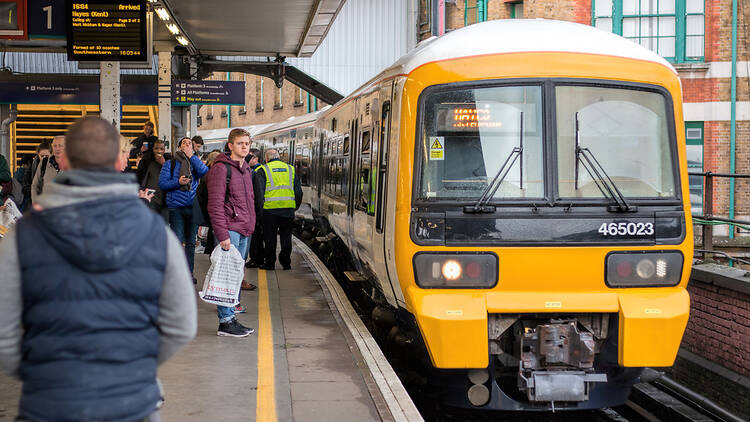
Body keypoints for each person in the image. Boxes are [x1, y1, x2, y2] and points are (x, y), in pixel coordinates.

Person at [0, 116, 197, 422]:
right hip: (131, 404)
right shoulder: (155, 233)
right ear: (118, 159)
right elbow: (181, 325)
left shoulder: (22, 237)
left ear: (65, 158)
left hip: (49, 404)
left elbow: (4, 332)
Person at [207, 128, 257, 337]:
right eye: (240, 143)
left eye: (247, 143)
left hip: (244, 229)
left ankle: (231, 317)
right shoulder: (221, 169)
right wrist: (223, 234)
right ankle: (225, 321)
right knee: (226, 278)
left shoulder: (245, 169)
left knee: (236, 276)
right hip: (230, 230)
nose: (244, 147)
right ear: (230, 145)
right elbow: (215, 205)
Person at [159, 136, 209, 282]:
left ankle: (189, 273)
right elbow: (162, 184)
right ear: (179, 147)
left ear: (192, 148)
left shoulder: (195, 162)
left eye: (189, 143)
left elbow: (205, 173)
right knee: (178, 241)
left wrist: (191, 157)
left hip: (192, 207)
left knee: (191, 243)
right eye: (184, 143)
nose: (186, 145)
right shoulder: (171, 164)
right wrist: (178, 182)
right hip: (176, 208)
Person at [256, 148, 302, 270]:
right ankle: (286, 263)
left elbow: (259, 193)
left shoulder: (263, 169)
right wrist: (294, 206)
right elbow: (298, 192)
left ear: (266, 158)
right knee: (286, 237)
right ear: (278, 157)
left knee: (270, 238)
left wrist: (259, 211)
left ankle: (270, 263)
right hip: (288, 210)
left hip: (269, 210)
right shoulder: (290, 169)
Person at [30, 135, 66, 203]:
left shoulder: (74, 164)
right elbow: (35, 186)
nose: (57, 148)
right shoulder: (44, 162)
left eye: (60, 146)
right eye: (55, 146)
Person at [245, 148, 265, 268]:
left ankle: (257, 259)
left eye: (250, 157)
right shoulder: (255, 170)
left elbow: (259, 193)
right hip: (257, 209)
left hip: (257, 210)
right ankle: (256, 258)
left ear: (255, 159)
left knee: (256, 237)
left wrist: (258, 212)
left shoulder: (257, 172)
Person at [140, 140, 168, 216]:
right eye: (156, 148)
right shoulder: (148, 162)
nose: (159, 151)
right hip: (151, 198)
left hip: (165, 200)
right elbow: (142, 180)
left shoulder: (169, 162)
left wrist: (164, 164)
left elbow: (172, 179)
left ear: (164, 150)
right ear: (153, 149)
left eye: (161, 149)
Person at [22, 141, 51, 209]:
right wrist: (34, 191)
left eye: (47, 156)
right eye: (42, 156)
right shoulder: (32, 167)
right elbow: (25, 186)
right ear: (38, 155)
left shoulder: (55, 166)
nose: (44, 158)